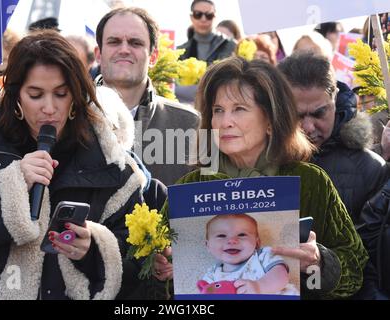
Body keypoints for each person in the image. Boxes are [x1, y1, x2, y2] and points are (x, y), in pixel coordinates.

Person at [0, 30, 148, 300]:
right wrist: (12, 186)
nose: (49, 108)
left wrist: (93, 249)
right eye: (36, 95)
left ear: (75, 96)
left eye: (61, 94)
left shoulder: (113, 164)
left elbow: (142, 265)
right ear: (15, 97)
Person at [154, 57, 368, 299]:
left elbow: (356, 267)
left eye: (239, 109)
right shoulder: (192, 186)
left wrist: (319, 263)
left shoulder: (310, 182)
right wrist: (159, 267)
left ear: (269, 119)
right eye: (218, 110)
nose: (225, 122)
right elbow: (159, 283)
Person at [95, 7, 200, 186]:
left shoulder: (192, 124)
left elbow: (208, 201)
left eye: (135, 43)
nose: (124, 49)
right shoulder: (69, 119)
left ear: (153, 57)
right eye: (114, 42)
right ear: (98, 54)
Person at [278, 53, 389, 223]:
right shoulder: (253, 158)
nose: (308, 127)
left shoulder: (370, 169)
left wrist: (321, 251)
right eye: (296, 115)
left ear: (335, 98)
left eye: (319, 113)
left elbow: (371, 244)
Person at [201, 214, 298, 295]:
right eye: (221, 235)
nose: (232, 241)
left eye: (242, 234)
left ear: (257, 243)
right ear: (208, 245)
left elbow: (281, 276)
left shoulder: (262, 256)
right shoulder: (212, 275)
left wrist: (259, 286)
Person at [178, 0, 236, 64]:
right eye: (198, 14)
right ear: (191, 17)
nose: (203, 19)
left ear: (215, 17)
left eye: (209, 15)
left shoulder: (231, 46)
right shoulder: (182, 51)